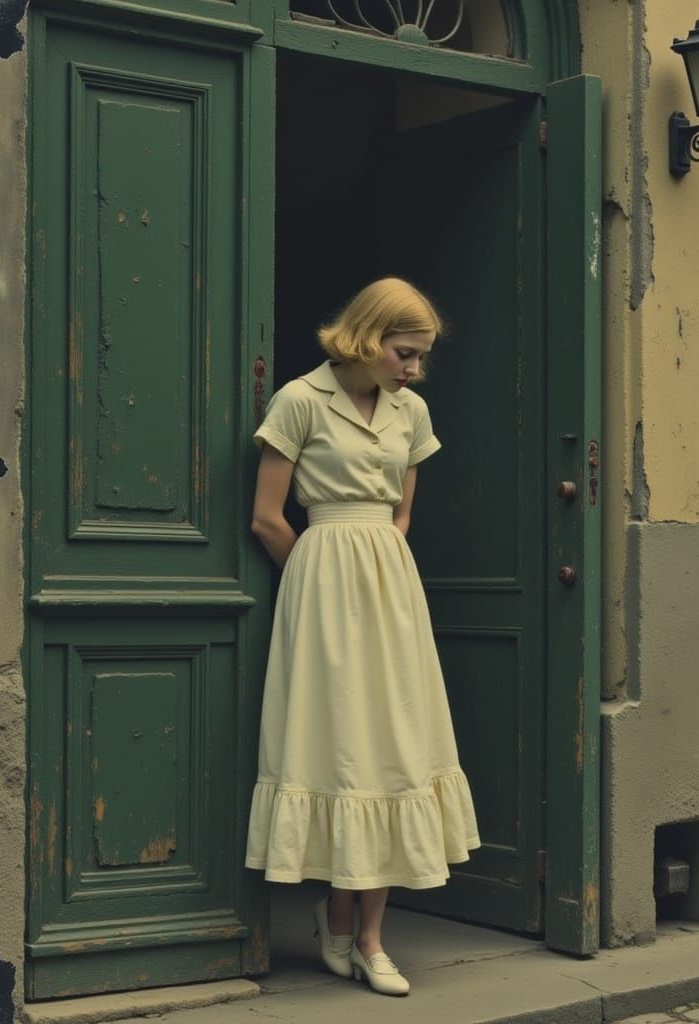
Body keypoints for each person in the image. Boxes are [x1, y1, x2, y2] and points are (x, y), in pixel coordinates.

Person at [244, 277, 480, 997]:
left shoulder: (413, 412)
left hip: (391, 590)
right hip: (321, 589)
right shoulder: (299, 400)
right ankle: (337, 919)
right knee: (341, 746)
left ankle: (369, 936)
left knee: (395, 744)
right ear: (366, 337)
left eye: (420, 358)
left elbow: (401, 515)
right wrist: (317, 578)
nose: (412, 369)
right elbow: (267, 516)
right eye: (404, 353)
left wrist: (380, 580)